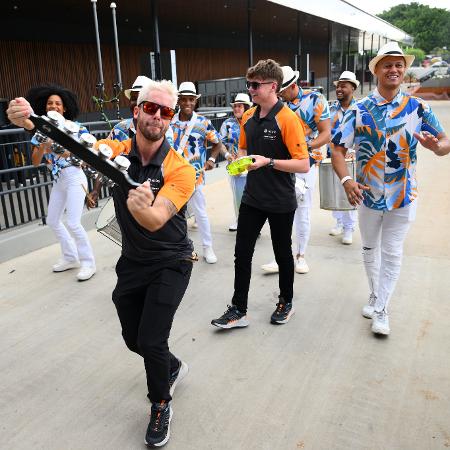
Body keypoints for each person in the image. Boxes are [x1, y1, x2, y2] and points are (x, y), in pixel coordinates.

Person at [7, 79, 196, 447]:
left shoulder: (181, 169)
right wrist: (33, 124)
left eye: (166, 111)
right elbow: (78, 147)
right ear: (136, 110)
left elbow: (156, 220)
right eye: (151, 108)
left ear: (171, 119)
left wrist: (144, 207)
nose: (157, 116)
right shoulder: (115, 148)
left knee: (151, 340)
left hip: (172, 262)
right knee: (132, 338)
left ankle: (160, 403)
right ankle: (172, 367)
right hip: (133, 261)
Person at [331, 42, 450, 336]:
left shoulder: (418, 107)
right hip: (367, 195)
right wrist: (347, 181)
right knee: (370, 248)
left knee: (393, 251)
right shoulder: (359, 110)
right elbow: (337, 149)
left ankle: (382, 309)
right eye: (387, 64)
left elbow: (445, 142)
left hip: (403, 195)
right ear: (376, 71)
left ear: (404, 70)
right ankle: (374, 295)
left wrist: (437, 148)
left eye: (399, 64)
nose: (394, 69)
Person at [211, 59, 309, 329]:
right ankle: (238, 309)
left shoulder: (288, 119)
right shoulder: (248, 118)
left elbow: (303, 163)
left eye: (255, 85)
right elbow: (243, 149)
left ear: (272, 86)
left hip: (280, 200)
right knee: (241, 253)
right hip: (252, 198)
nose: (250, 90)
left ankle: (285, 302)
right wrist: (239, 161)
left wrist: (269, 162)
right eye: (249, 84)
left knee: (282, 254)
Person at [10, 85, 96, 281]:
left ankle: (88, 263)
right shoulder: (42, 129)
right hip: (58, 179)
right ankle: (70, 256)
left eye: (58, 103)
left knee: (73, 222)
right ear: (45, 107)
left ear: (64, 108)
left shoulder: (75, 128)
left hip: (74, 176)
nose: (54, 106)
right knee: (52, 220)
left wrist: (54, 147)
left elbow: (82, 155)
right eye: (50, 103)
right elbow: (34, 161)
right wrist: (42, 145)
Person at [261, 65, 331, 274]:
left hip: (306, 162)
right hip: (281, 163)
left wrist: (303, 147)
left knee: (302, 210)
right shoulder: (276, 104)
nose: (279, 93)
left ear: (293, 85)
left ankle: (300, 256)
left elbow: (326, 133)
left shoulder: (316, 100)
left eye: (281, 90)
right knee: (279, 210)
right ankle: (281, 257)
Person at [90, 76, 174, 205]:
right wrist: (96, 189)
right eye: (133, 99)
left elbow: (169, 165)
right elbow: (104, 159)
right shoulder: (119, 129)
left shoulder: (163, 131)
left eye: (141, 99)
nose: (136, 102)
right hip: (122, 196)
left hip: (153, 197)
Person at [170, 81, 225, 264]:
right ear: (178, 101)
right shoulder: (169, 120)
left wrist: (211, 160)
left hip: (195, 176)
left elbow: (217, 143)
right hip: (172, 176)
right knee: (174, 215)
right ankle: (181, 249)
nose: (187, 103)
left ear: (195, 101)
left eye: (191, 100)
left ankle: (207, 248)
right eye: (184, 99)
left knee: (200, 213)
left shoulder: (203, 122)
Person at [327, 71, 359, 245]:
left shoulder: (360, 109)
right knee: (335, 191)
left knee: (350, 191)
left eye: (343, 86)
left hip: (352, 159)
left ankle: (349, 228)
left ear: (352, 88)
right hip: (334, 156)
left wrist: (354, 150)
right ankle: (339, 221)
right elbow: (325, 131)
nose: (339, 89)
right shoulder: (331, 109)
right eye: (338, 86)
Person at [219, 92, 253, 231]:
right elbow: (219, 143)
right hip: (235, 166)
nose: (236, 109)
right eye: (235, 106)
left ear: (246, 107)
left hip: (252, 165)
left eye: (240, 106)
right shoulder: (227, 124)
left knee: (254, 196)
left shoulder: (253, 122)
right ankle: (240, 220)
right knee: (237, 196)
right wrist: (227, 155)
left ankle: (254, 223)